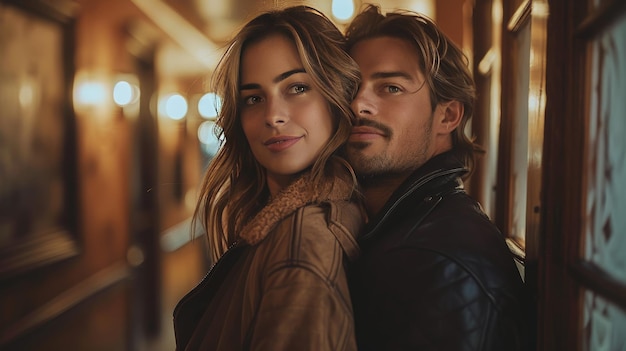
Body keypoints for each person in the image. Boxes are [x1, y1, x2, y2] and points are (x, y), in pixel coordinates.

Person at [172, 6, 363, 351]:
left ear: (336, 96)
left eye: (297, 87)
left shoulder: (301, 248)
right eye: (254, 98)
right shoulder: (284, 224)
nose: (273, 116)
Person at [344, 4, 531, 351]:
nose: (358, 105)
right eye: (350, 87)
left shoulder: (433, 260)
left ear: (447, 116)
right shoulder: (407, 228)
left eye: (391, 88)